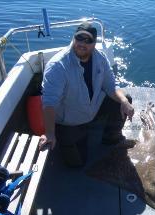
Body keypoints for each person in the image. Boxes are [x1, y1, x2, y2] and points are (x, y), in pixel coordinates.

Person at [39, 22, 134, 167]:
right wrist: (50, 133)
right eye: (79, 38)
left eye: (88, 40)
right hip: (70, 121)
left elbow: (110, 86)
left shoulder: (100, 58)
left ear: (94, 44)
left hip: (92, 109)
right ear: (73, 38)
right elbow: (49, 102)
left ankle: (110, 137)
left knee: (124, 99)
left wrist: (123, 101)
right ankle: (67, 138)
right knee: (76, 164)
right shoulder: (58, 66)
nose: (82, 43)